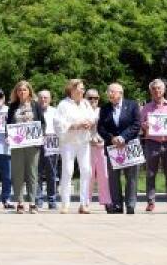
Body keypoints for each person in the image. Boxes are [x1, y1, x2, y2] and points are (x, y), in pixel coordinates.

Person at [54, 78, 97, 214]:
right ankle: (65, 204)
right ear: (72, 89)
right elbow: (58, 123)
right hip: (68, 142)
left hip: (83, 142)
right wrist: (73, 125)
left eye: (83, 88)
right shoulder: (63, 104)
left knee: (86, 171)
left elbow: (93, 119)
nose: (83, 91)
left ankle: (84, 204)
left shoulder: (85, 104)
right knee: (67, 171)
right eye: (80, 88)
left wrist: (89, 124)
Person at [140, 78, 167, 213]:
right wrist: (144, 125)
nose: (157, 91)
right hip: (152, 143)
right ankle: (151, 202)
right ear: (151, 91)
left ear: (164, 90)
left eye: (159, 88)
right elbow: (141, 125)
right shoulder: (146, 107)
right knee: (151, 174)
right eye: (154, 89)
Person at [97, 83, 137, 214]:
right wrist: (112, 138)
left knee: (131, 176)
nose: (109, 94)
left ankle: (130, 204)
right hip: (112, 146)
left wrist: (123, 137)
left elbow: (136, 124)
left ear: (120, 93)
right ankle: (117, 204)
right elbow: (101, 127)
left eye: (112, 92)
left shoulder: (132, 105)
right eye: (108, 92)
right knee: (114, 178)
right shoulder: (105, 108)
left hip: (129, 145)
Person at [7, 80, 44, 214]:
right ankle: (20, 203)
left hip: (33, 144)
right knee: (18, 173)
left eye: (24, 90)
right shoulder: (12, 106)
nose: (22, 92)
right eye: (19, 90)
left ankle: (33, 203)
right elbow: (8, 124)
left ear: (29, 91)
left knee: (32, 173)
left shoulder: (36, 105)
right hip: (17, 144)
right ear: (16, 92)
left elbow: (42, 123)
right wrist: (7, 136)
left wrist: (42, 135)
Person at [84, 88, 112, 212]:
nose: (93, 100)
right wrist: (88, 139)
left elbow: (108, 128)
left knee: (104, 175)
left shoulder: (103, 111)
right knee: (88, 175)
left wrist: (103, 139)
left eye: (96, 98)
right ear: (85, 98)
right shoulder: (81, 112)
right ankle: (85, 202)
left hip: (102, 146)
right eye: (90, 98)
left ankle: (106, 201)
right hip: (86, 147)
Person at [37, 89, 60, 210]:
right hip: (36, 145)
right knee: (37, 173)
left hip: (52, 144)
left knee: (52, 173)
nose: (43, 99)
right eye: (41, 97)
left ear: (50, 99)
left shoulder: (56, 112)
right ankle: (38, 200)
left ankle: (52, 200)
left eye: (46, 97)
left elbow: (60, 128)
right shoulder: (34, 111)